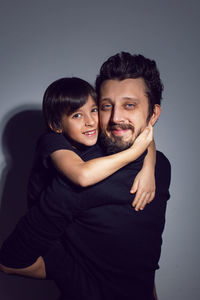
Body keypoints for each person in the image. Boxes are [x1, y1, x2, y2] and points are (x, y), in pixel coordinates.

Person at [0, 52, 171, 300]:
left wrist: (148, 157)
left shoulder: (161, 168)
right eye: (106, 106)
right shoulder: (77, 177)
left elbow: (144, 256)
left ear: (153, 114)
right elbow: (10, 261)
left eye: (129, 105)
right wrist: (77, 281)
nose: (115, 118)